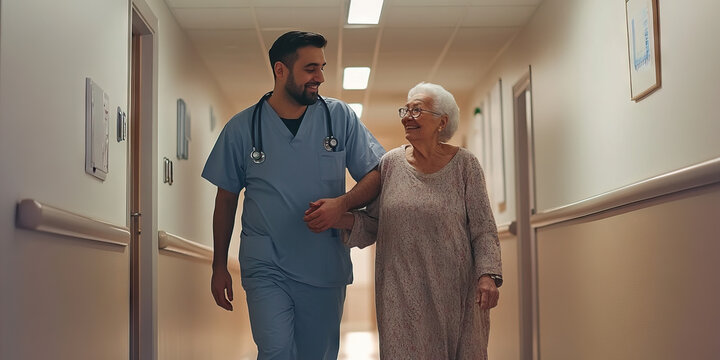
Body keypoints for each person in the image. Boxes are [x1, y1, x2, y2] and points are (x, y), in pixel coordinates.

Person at [202, 31, 385, 360]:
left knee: (318, 354)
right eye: (311, 68)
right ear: (280, 70)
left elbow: (377, 173)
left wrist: (343, 204)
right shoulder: (243, 128)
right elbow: (225, 199)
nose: (320, 78)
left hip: (323, 263)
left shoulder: (339, 118)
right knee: (275, 350)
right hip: (265, 263)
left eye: (322, 68)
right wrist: (218, 264)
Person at [311, 82, 503, 359]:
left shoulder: (465, 166)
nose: (406, 116)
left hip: (456, 292)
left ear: (442, 122)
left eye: (417, 110)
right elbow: (374, 223)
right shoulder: (390, 164)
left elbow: (484, 229)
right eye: (405, 109)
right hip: (400, 292)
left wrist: (488, 275)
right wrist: (338, 218)